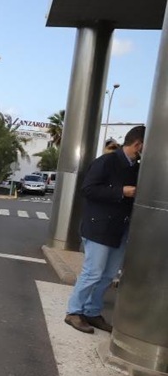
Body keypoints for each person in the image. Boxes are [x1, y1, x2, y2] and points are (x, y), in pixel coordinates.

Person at [65, 125, 145, 334]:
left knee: (108, 275)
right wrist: (121, 191)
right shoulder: (107, 161)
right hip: (99, 226)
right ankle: (74, 311)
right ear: (138, 144)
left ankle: (91, 311)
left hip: (120, 228)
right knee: (93, 272)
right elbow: (88, 189)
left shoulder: (137, 167)